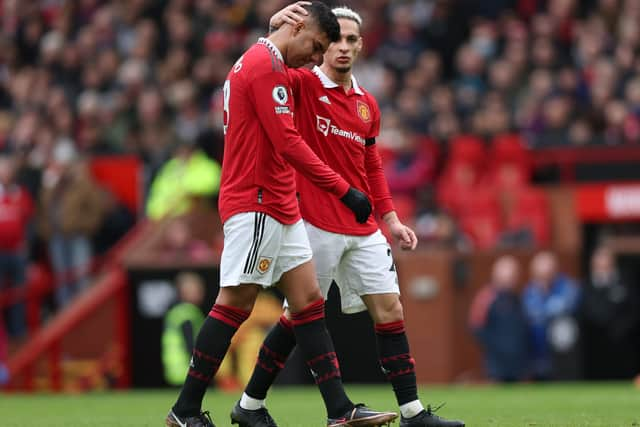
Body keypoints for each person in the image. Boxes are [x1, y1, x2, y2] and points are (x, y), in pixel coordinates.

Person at [231, 4, 464, 427]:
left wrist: (390, 219)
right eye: (335, 39)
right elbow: (267, 57)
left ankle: (412, 412)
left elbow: (371, 166)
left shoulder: (366, 105)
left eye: (351, 40)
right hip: (312, 221)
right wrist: (274, 26)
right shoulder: (299, 82)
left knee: (391, 308)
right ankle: (249, 403)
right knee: (297, 316)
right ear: (322, 43)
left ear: (361, 45)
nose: (342, 47)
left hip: (362, 225)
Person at [166, 3, 394, 427]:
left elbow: (294, 74)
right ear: (300, 27)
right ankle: (184, 410)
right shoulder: (263, 65)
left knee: (308, 303)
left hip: (280, 203)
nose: (315, 59)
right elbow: (288, 142)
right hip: (256, 201)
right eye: (315, 47)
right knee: (235, 302)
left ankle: (339, 411)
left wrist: (275, 27)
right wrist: (344, 190)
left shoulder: (262, 59)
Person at [580, 247, 639, 379]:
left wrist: (620, 328)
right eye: (599, 265)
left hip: (623, 345)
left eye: (606, 264)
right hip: (596, 346)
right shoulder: (586, 286)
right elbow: (587, 312)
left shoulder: (625, 282)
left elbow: (634, 310)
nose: (602, 269)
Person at [522, 251, 581, 380]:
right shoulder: (530, 290)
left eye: (546, 275)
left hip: (563, 352)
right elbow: (528, 313)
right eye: (539, 275)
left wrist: (543, 313)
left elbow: (566, 308)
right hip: (537, 349)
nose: (543, 279)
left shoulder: (568, 287)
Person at [469, 255, 529, 382]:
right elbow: (476, 326)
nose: (512, 278)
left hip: (517, 360)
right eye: (509, 275)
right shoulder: (486, 297)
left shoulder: (517, 297)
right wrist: (496, 345)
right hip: (496, 360)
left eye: (514, 274)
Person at [162, 272, 207, 386]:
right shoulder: (187, 313)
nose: (200, 293)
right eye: (196, 290)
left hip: (173, 368)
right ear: (183, 292)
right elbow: (191, 344)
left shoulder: (175, 311)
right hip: (186, 369)